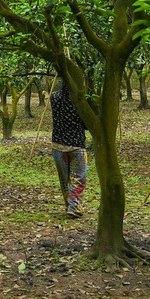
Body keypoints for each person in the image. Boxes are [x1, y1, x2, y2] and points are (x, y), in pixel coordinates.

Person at [50, 79, 89, 218]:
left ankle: (70, 205)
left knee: (64, 179)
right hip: (76, 145)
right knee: (79, 178)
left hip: (58, 146)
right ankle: (74, 206)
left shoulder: (54, 97)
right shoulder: (80, 100)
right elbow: (87, 123)